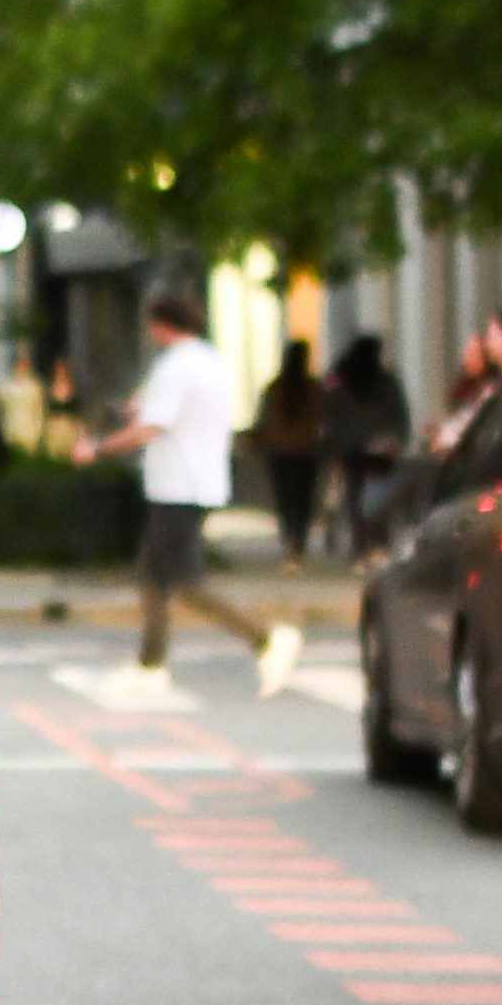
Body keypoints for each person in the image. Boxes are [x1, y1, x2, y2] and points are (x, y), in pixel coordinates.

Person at [86, 281, 305, 698]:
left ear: (162, 326)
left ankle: (265, 640)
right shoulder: (209, 361)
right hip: (196, 480)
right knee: (151, 574)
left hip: (177, 484)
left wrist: (98, 448)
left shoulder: (175, 367)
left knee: (186, 582)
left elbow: (151, 426)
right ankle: (150, 664)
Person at [320, 328, 411, 556]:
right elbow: (399, 413)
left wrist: (332, 448)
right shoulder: (386, 381)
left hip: (350, 448)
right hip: (379, 449)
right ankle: (378, 541)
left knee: (355, 495)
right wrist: (399, 439)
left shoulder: (340, 379)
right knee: (379, 494)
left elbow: (331, 415)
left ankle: (360, 544)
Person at [253, 335, 328, 566]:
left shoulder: (275, 387)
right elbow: (325, 419)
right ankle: (299, 541)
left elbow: (263, 418)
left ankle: (289, 539)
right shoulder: (314, 388)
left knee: (285, 498)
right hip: (307, 449)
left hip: (279, 450)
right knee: (304, 499)